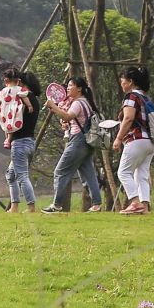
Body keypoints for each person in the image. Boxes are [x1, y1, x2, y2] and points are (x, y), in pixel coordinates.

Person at [41, 77, 103, 214]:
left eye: (70, 86)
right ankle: (97, 204)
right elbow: (71, 120)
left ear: (79, 88)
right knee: (88, 173)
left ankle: (56, 205)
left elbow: (68, 116)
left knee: (60, 171)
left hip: (77, 141)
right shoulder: (86, 102)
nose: (67, 88)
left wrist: (53, 106)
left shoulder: (77, 103)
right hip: (87, 142)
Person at [113, 66, 154, 215]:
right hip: (151, 141)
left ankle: (135, 202)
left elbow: (128, 118)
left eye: (123, 81)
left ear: (130, 81)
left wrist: (118, 138)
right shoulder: (146, 98)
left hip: (137, 138)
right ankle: (144, 205)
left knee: (123, 172)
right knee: (141, 174)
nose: (122, 84)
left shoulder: (131, 97)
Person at [4, 70, 41, 213]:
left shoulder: (22, 98)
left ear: (20, 82)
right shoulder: (34, 100)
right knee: (11, 174)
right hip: (30, 141)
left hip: (20, 142)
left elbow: (12, 118)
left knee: (22, 175)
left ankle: (31, 207)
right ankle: (14, 207)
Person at [0, 67, 34, 149]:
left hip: (5, 110)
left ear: (5, 80)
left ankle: (7, 139)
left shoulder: (3, 91)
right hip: (14, 110)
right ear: (18, 81)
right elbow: (25, 98)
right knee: (11, 125)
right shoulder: (19, 89)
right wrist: (29, 105)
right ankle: (8, 140)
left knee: (7, 126)